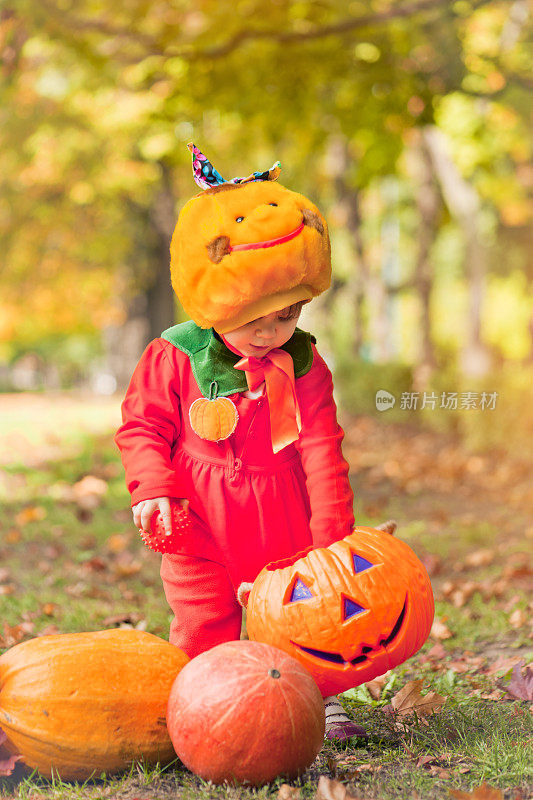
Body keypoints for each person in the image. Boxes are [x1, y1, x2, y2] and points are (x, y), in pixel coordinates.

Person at [115, 144, 364, 741]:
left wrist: (331, 542)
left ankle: (313, 699)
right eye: (252, 319)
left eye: (284, 318)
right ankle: (208, 708)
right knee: (205, 619)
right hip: (196, 516)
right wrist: (155, 488)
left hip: (284, 516)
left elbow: (323, 449)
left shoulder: (304, 366)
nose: (268, 334)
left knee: (299, 609)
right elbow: (143, 428)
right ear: (212, 303)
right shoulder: (174, 355)